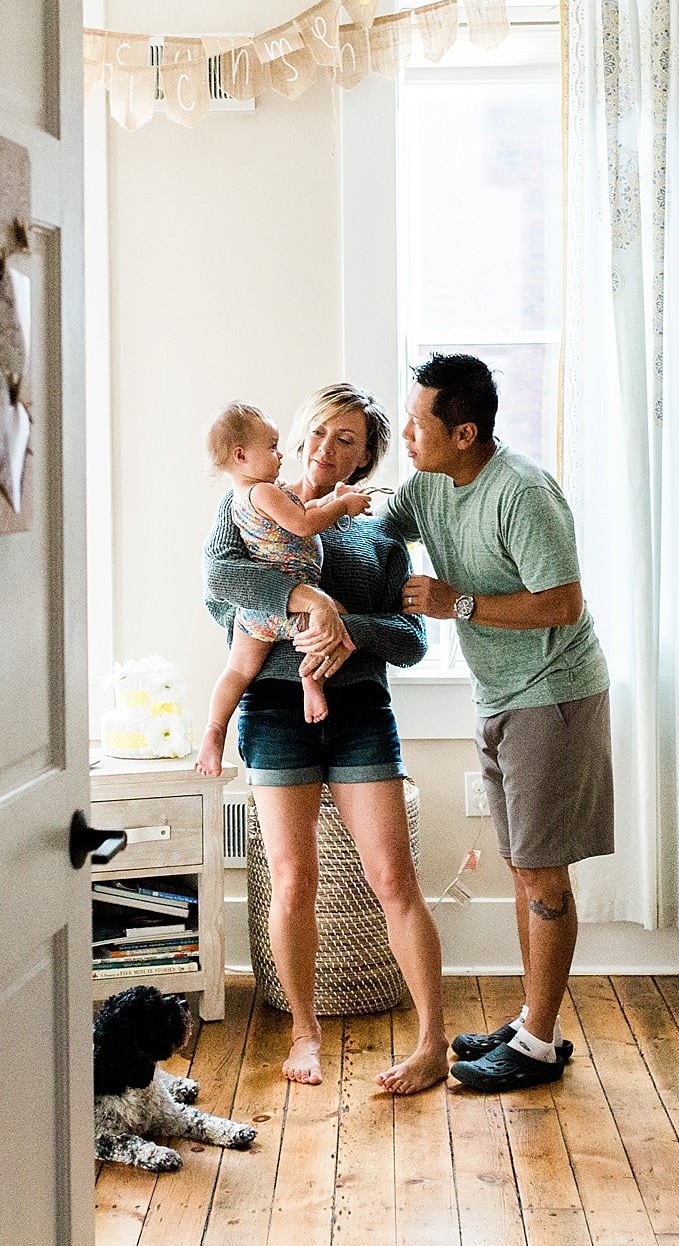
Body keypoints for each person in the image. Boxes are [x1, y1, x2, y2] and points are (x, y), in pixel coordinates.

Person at [203, 383, 451, 1094]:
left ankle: (433, 1042)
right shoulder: (249, 504)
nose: (324, 449)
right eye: (319, 432)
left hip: (361, 708)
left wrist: (351, 632)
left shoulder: (377, 536)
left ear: (365, 457)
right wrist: (306, 600)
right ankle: (304, 1030)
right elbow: (219, 581)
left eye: (347, 441)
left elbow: (411, 640)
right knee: (293, 879)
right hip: (276, 709)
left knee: (394, 880)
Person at [381, 353, 613, 1093]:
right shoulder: (428, 484)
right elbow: (372, 536)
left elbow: (563, 603)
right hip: (500, 693)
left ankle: (538, 1044)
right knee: (522, 864)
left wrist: (461, 605)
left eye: (418, 424)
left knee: (543, 870)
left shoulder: (522, 494)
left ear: (464, 432)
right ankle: (530, 1021)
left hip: (555, 692)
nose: (407, 437)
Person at [194, 402, 373, 776]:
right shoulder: (264, 492)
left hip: (255, 613)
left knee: (238, 671)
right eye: (272, 448)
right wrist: (343, 505)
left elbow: (303, 507)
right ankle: (310, 680)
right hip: (290, 601)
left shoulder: (251, 495)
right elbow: (305, 522)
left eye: (343, 439)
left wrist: (331, 498)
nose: (280, 456)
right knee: (334, 624)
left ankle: (214, 730)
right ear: (242, 456)